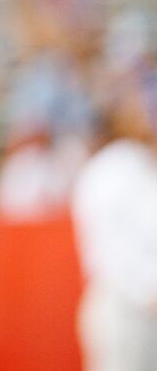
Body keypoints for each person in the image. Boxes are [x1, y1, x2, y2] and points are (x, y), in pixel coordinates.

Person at [71, 78, 157, 371]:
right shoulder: (115, 169)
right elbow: (116, 251)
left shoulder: (134, 164)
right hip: (127, 307)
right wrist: (147, 291)